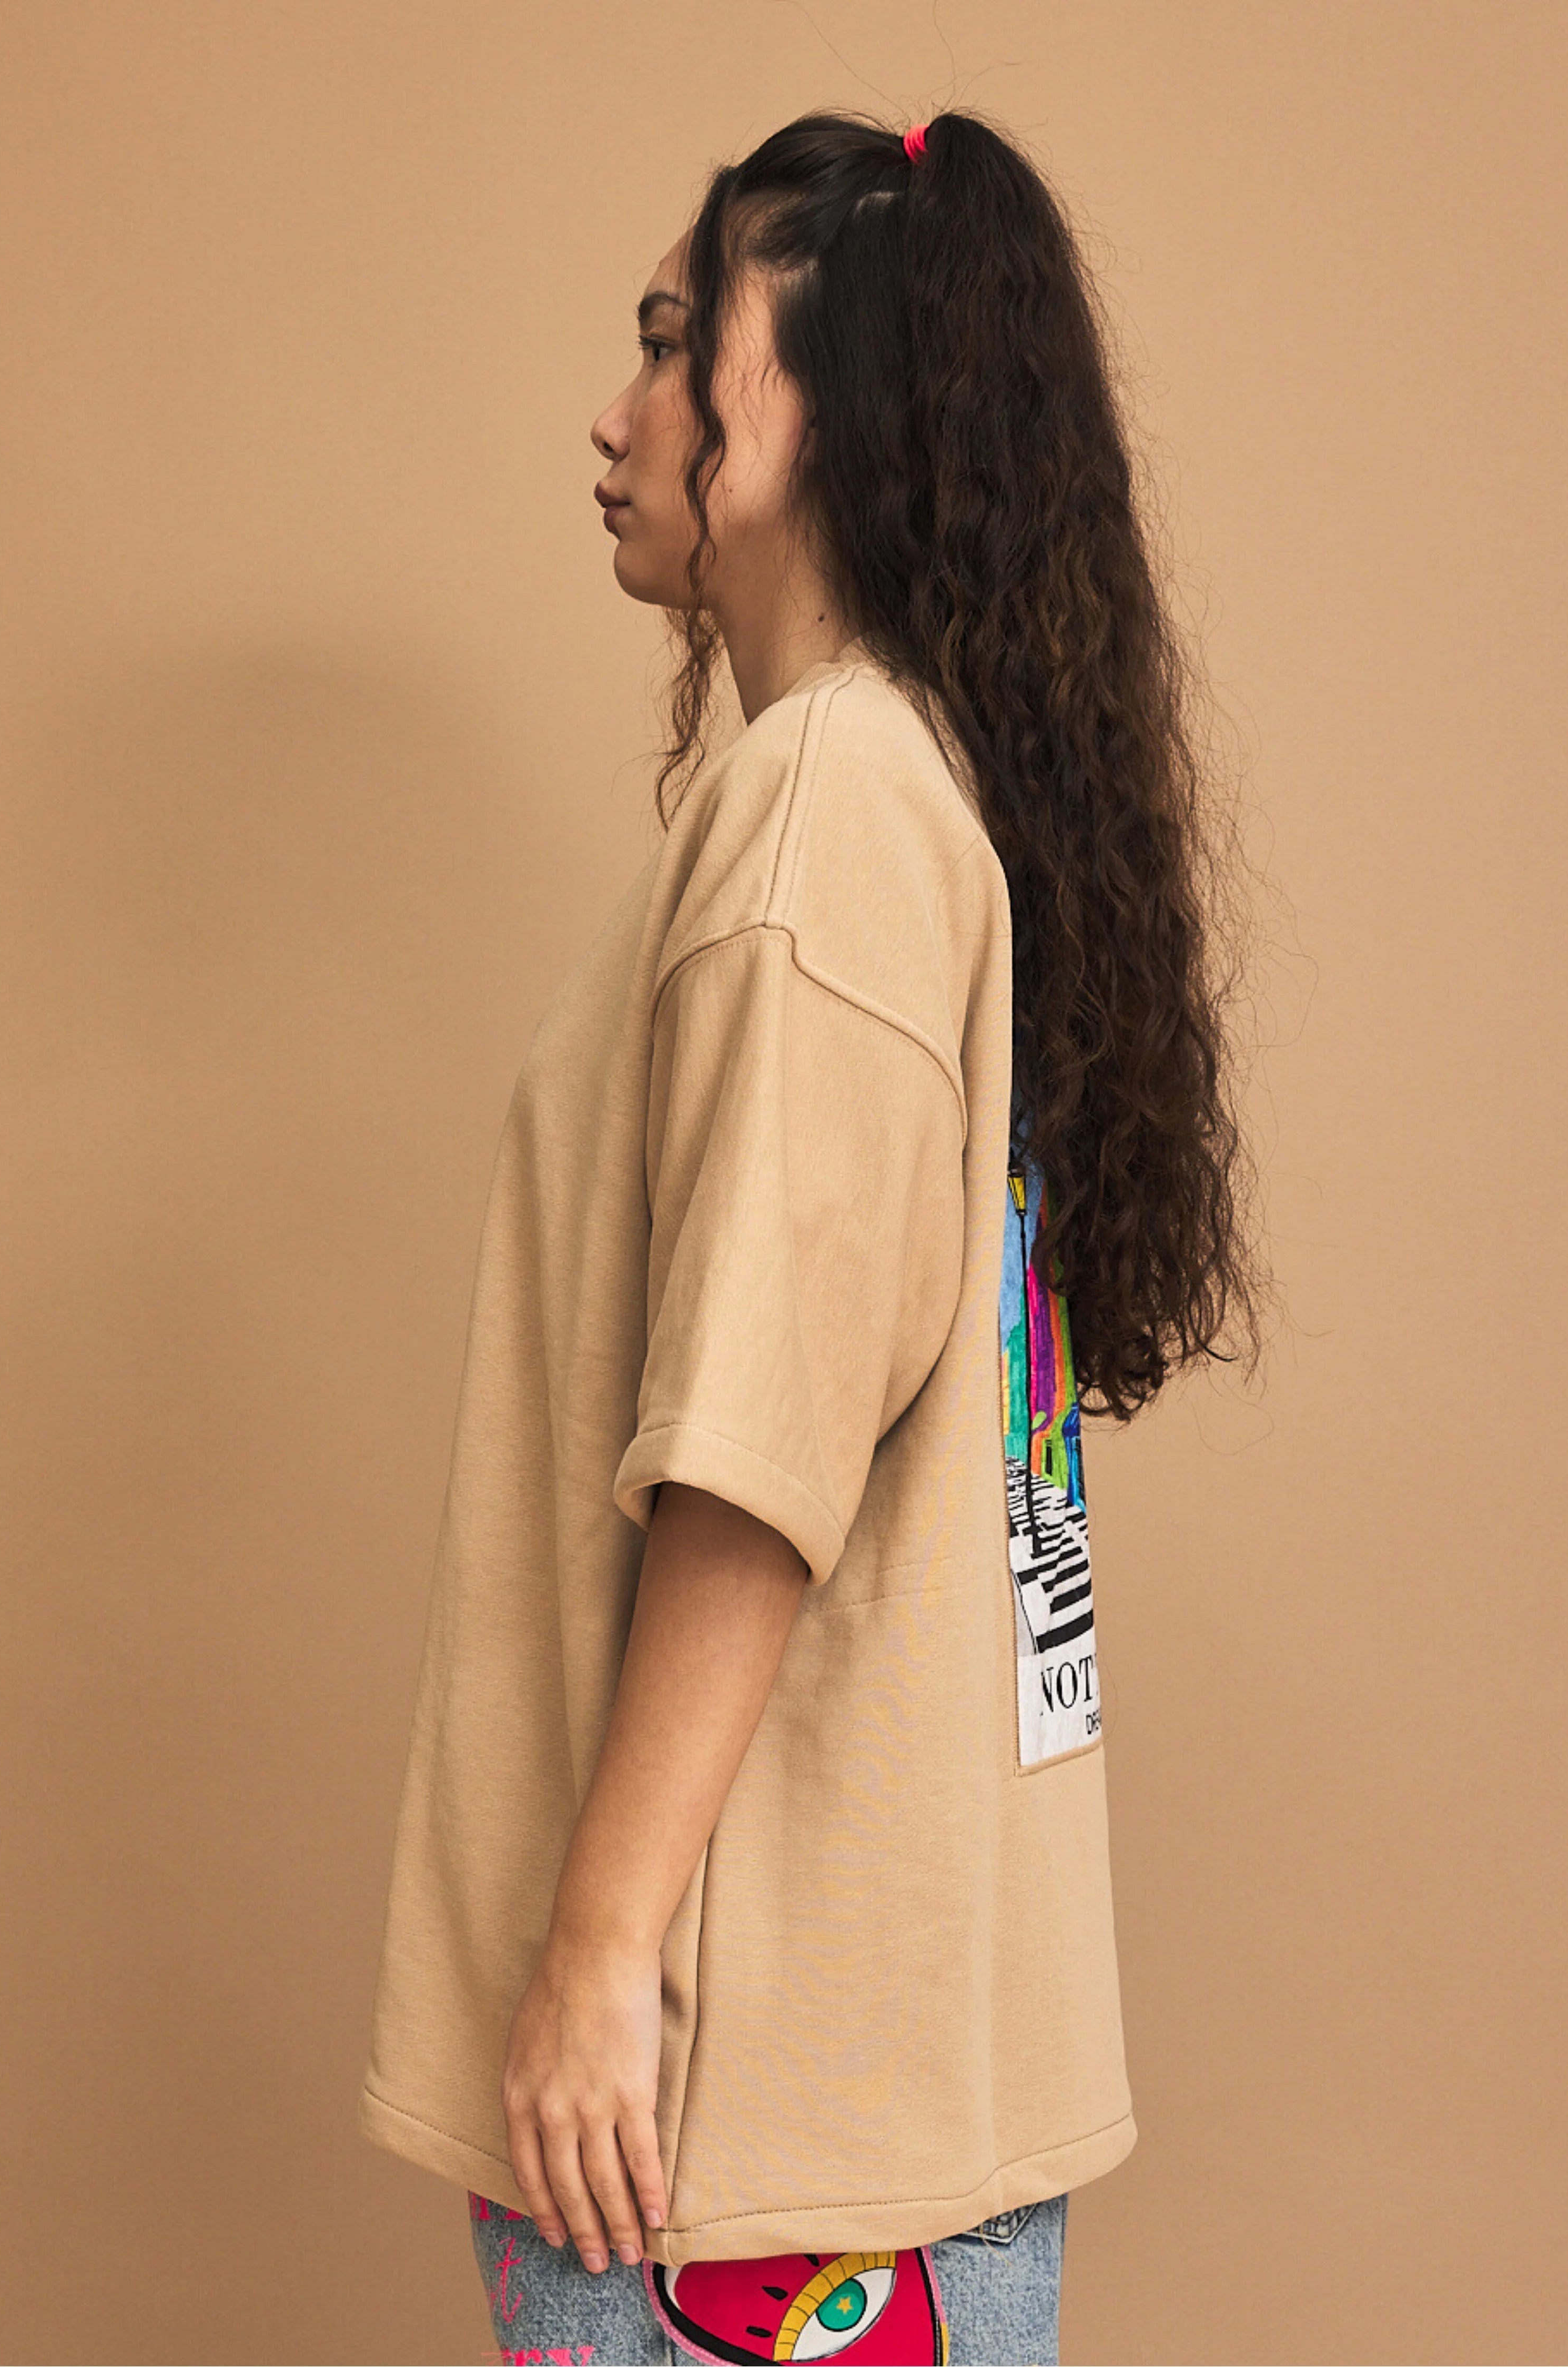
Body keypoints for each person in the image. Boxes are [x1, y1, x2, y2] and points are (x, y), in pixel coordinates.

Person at [358, 107, 1266, 2367]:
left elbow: (762, 1445)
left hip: (742, 2151)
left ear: (815, 416)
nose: (618, 410)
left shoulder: (829, 808)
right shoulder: (915, 793)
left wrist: (593, 1954)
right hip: (843, 2120)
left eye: (673, 344)